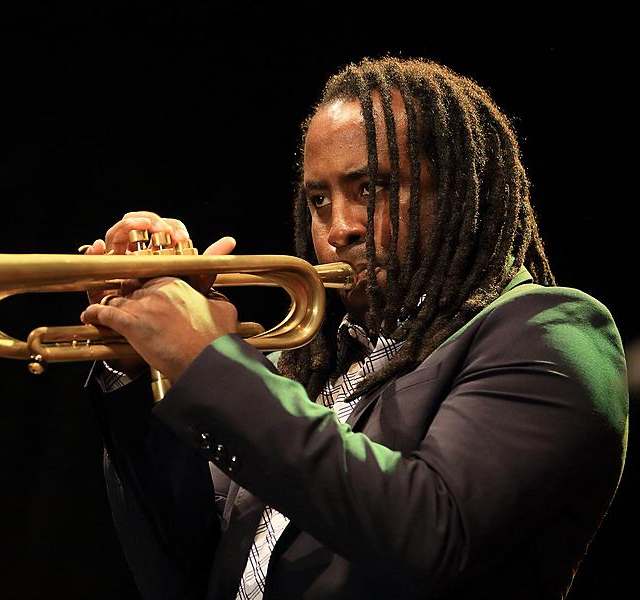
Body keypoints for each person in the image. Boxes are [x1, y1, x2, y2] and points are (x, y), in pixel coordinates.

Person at [79, 57, 629, 599]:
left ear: (465, 191)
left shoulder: (551, 332)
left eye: (372, 189)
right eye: (319, 200)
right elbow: (183, 573)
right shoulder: (304, 372)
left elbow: (429, 534)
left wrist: (212, 363)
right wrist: (138, 367)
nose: (339, 228)